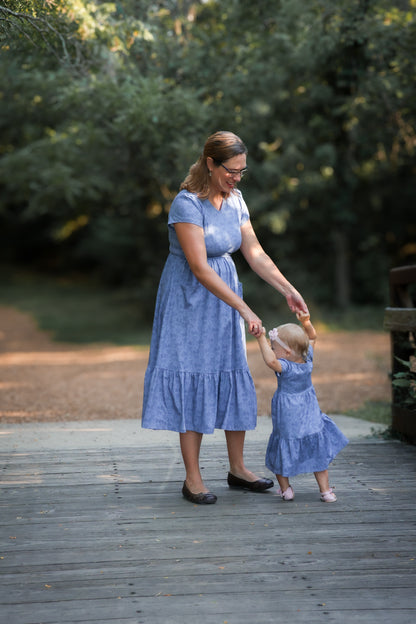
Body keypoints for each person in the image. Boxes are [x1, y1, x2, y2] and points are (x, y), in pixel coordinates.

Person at [142, 130, 308, 504]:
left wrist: (288, 290)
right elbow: (200, 268)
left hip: (224, 297)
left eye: (241, 171)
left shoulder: (236, 201)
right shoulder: (187, 204)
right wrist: (245, 308)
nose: (236, 177)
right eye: (231, 170)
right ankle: (193, 478)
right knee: (193, 375)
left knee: (233, 371)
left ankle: (237, 468)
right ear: (210, 164)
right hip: (190, 298)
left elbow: (255, 253)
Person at [255, 312, 349, 503]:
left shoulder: (286, 367)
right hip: (309, 412)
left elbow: (270, 361)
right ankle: (325, 491)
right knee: (316, 449)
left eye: (274, 348)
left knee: (283, 444)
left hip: (288, 413)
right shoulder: (308, 359)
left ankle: (286, 489)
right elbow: (313, 337)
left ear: (287, 352)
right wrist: (306, 322)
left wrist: (260, 338)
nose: (272, 350)